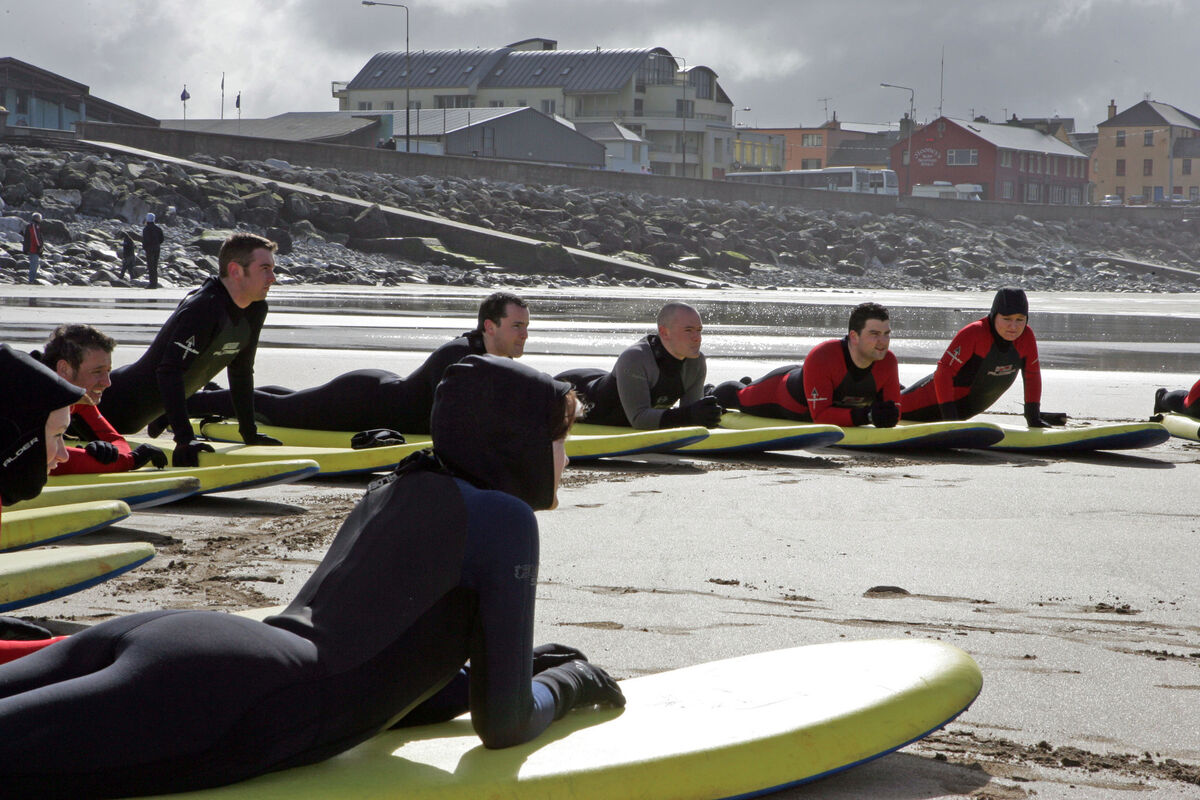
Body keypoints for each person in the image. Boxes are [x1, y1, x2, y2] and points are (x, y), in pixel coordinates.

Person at [0, 355, 624, 798]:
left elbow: (379, 658)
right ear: (514, 440)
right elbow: (507, 724)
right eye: (557, 437)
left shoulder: (396, 487)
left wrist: (495, 670)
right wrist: (573, 681)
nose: (565, 456)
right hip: (229, 697)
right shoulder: (505, 519)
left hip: (184, 643)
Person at [184, 291, 530, 435]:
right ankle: (186, 403)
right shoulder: (460, 357)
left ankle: (211, 392)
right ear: (489, 326)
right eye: (517, 326)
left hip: (377, 389)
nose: (524, 335)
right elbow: (454, 421)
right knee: (276, 410)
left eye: (526, 327)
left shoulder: (483, 354)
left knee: (293, 400)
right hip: (363, 403)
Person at [98, 232, 282, 467]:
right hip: (111, 403)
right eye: (265, 268)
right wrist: (184, 439)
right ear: (236, 270)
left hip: (148, 410)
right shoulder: (204, 307)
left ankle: (164, 416)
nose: (273, 277)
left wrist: (249, 433)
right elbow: (168, 371)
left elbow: (241, 370)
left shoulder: (255, 309)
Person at [712, 302, 901, 427]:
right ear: (854, 336)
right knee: (738, 396)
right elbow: (819, 416)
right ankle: (709, 392)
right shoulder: (824, 356)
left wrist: (888, 415)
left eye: (886, 334)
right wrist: (868, 416)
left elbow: (895, 411)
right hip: (780, 394)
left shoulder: (888, 361)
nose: (883, 341)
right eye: (874, 334)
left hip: (815, 384)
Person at [900, 288, 1055, 427]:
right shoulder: (975, 333)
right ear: (995, 315)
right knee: (887, 408)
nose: (1013, 327)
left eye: (1020, 319)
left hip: (961, 411)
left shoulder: (1026, 337)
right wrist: (950, 420)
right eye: (1007, 319)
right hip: (928, 400)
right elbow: (943, 373)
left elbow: (1032, 376)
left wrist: (1033, 417)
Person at [556, 301, 722, 429]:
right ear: (664, 332)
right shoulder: (636, 357)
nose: (697, 337)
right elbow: (639, 419)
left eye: (699, 330)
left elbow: (692, 420)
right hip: (573, 391)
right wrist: (689, 415)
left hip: (610, 380)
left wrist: (702, 415)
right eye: (688, 330)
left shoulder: (696, 362)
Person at [34, 325, 168, 475]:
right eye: (97, 372)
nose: (107, 382)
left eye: (108, 371)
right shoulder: (32, 396)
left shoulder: (79, 399)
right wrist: (131, 460)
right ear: (64, 369)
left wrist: (109, 452)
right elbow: (40, 458)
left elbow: (116, 440)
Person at [141, 212, 164, 289]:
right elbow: (162, 239)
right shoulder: (158, 229)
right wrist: (157, 244)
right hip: (157, 248)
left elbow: (145, 240)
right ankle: (155, 283)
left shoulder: (146, 229)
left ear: (147, 220)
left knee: (150, 267)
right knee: (155, 266)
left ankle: (152, 284)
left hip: (149, 249)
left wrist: (145, 247)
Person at [21, 212, 43, 284]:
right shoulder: (34, 226)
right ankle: (31, 280)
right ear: (37, 218)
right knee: (34, 264)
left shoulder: (33, 225)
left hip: (32, 248)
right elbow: (35, 237)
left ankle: (32, 279)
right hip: (33, 248)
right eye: (40, 218)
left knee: (34, 264)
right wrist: (39, 246)